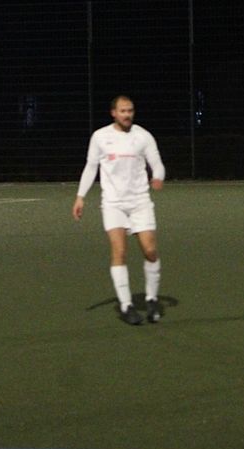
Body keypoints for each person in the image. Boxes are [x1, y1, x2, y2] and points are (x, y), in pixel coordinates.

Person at [73, 95, 165, 325]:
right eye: (123, 111)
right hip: (113, 204)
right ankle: (126, 305)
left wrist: (158, 176)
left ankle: (152, 299)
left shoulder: (143, 136)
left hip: (140, 201)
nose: (127, 115)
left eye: (130, 110)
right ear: (113, 113)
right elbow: (91, 167)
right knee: (119, 252)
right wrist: (80, 197)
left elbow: (157, 163)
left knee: (150, 250)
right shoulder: (100, 137)